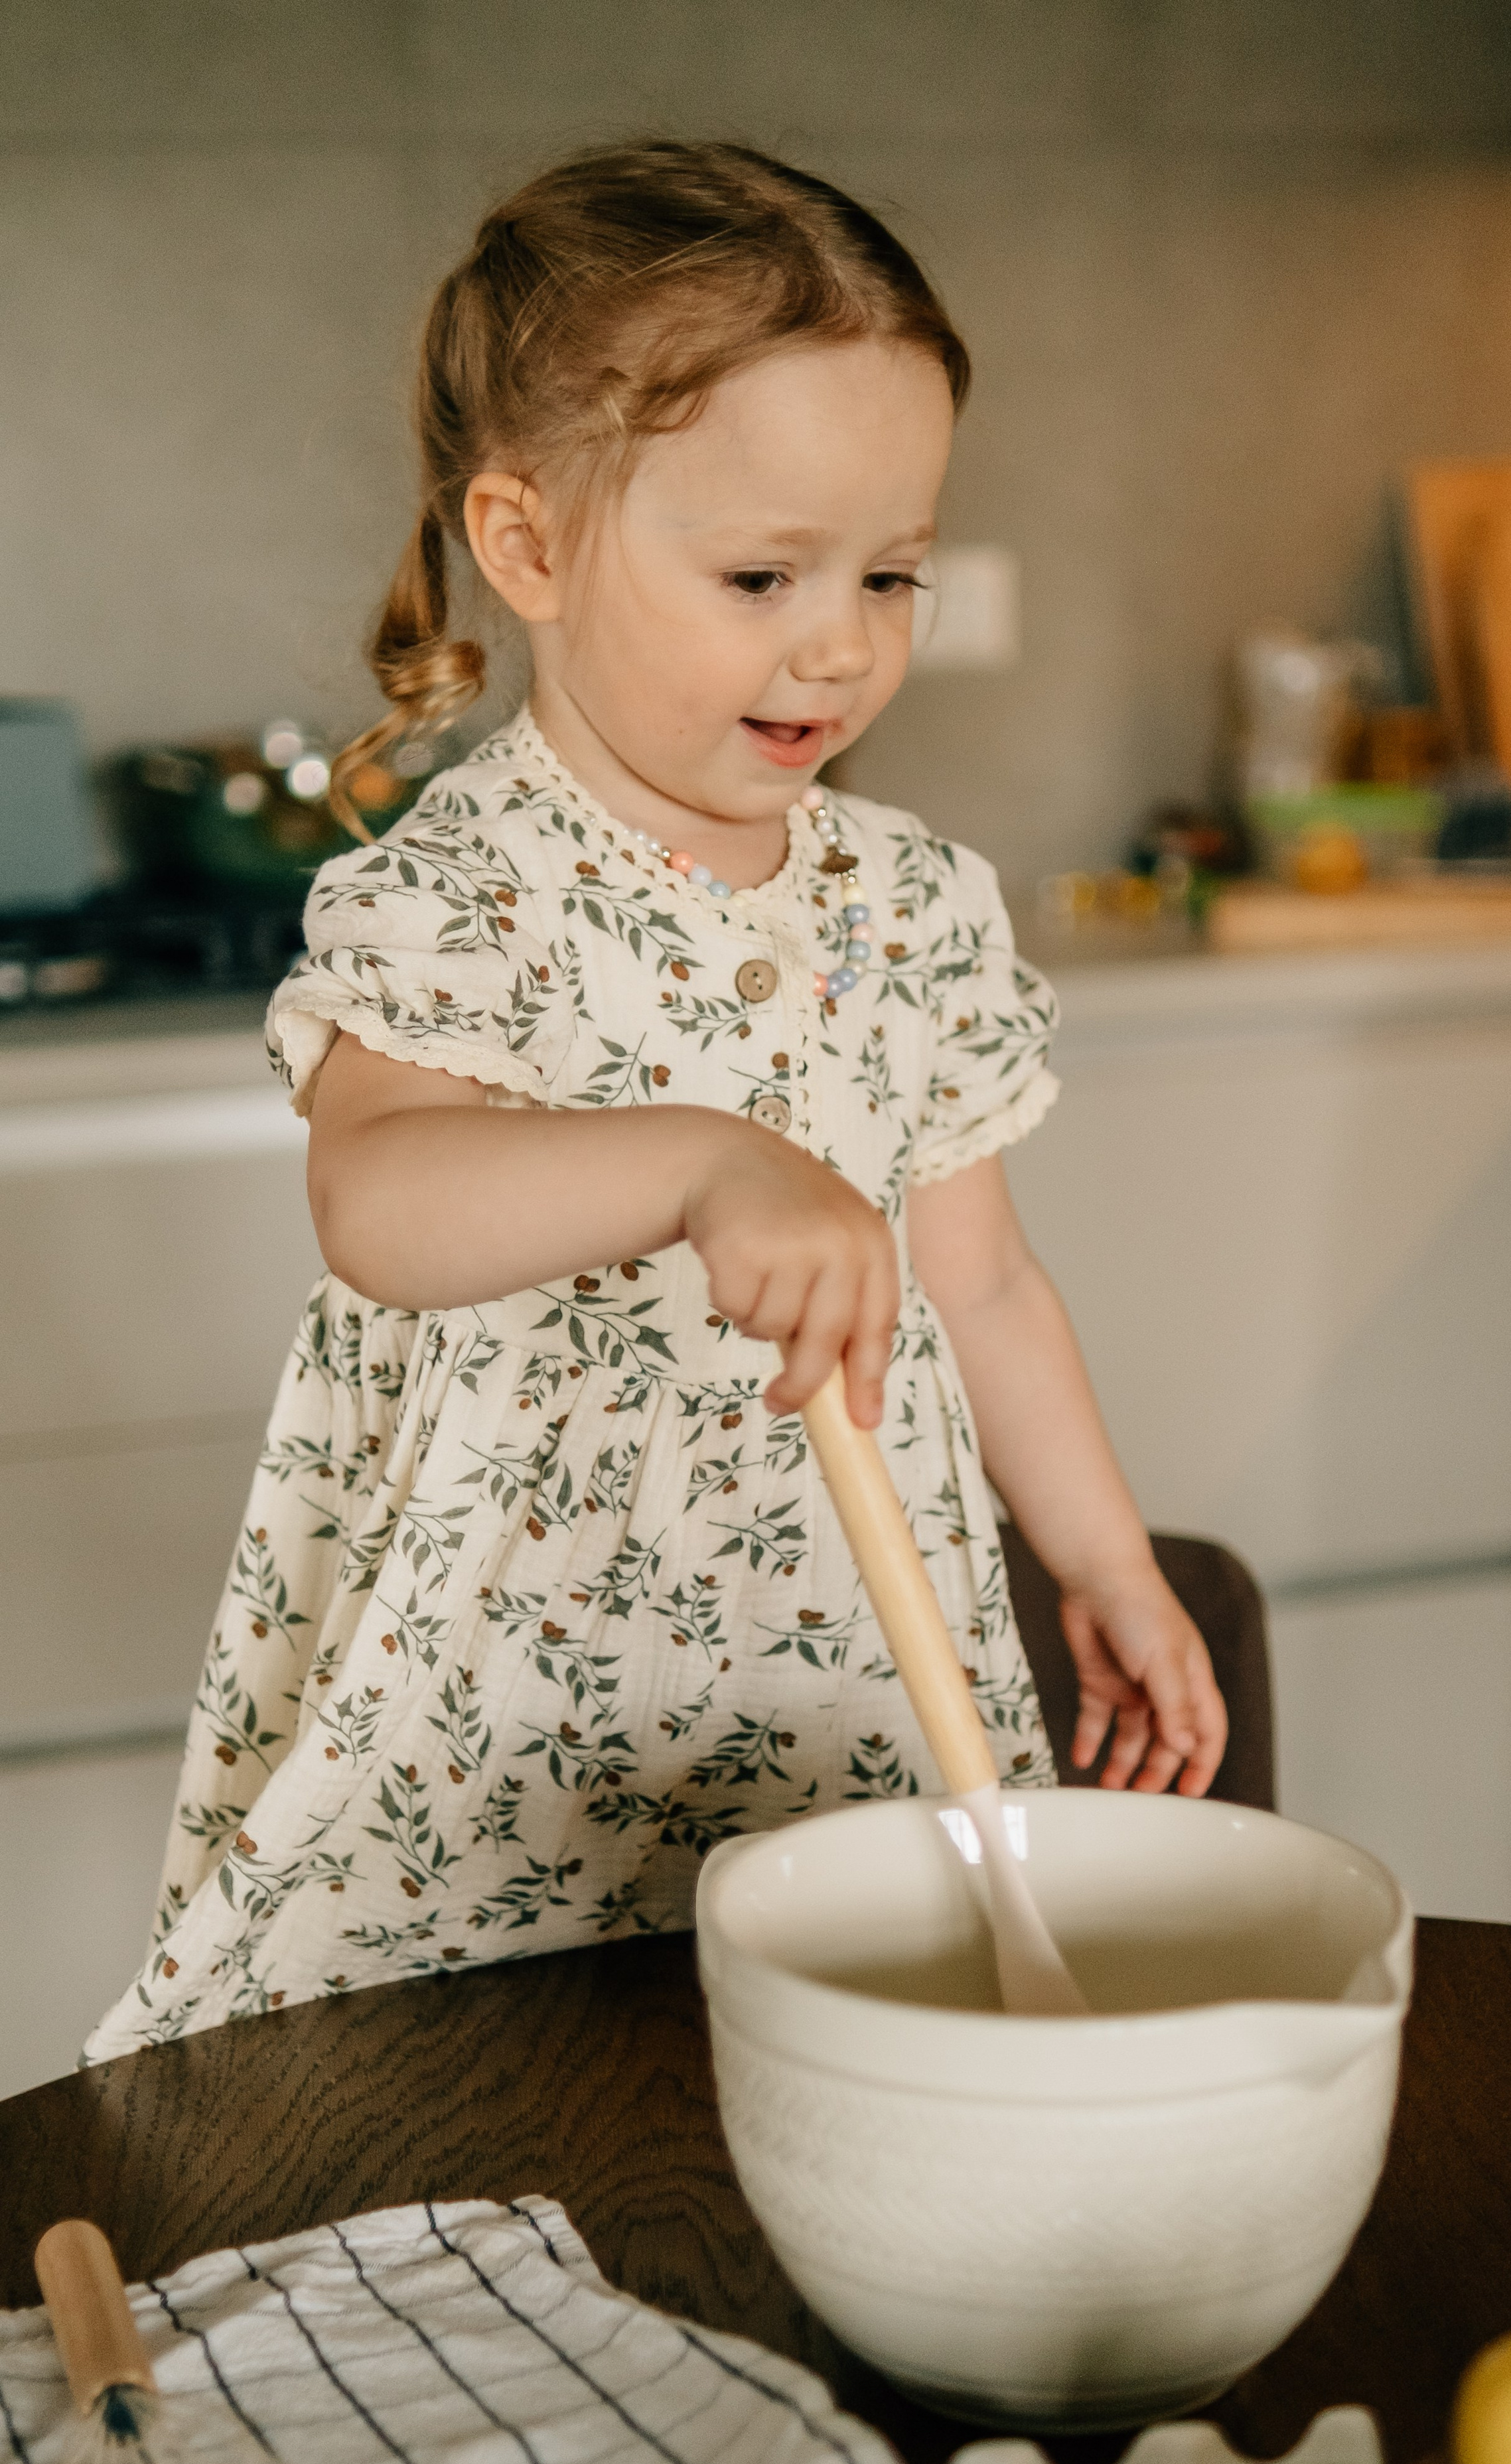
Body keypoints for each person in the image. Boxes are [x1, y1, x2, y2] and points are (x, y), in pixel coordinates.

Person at [86, 141, 1226, 2060]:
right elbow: (380, 1200)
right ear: (526, 546)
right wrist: (711, 1160)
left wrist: (1100, 1561)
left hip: (837, 1681)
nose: (841, 639)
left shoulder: (912, 903)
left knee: (836, 2086)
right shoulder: (465, 897)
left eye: (892, 573)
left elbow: (987, 1285)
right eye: (762, 573)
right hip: (514, 1711)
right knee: (479, 2130)